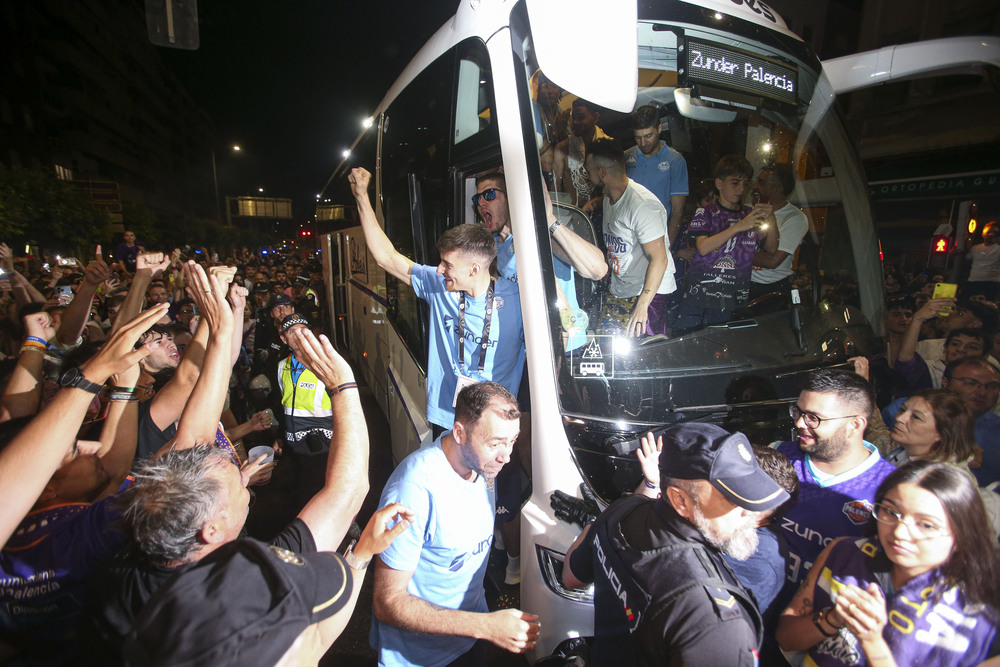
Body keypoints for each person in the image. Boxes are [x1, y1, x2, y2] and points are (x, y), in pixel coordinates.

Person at [0, 304, 168, 663]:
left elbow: (15, 421)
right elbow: (114, 467)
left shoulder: (20, 538)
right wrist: (95, 372)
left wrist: (118, 381)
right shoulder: (83, 531)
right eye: (74, 450)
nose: (92, 447)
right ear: (44, 488)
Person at [561, 422, 789, 666]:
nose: (749, 513)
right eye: (733, 500)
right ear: (680, 500)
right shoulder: (718, 623)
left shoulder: (618, 514)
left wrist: (594, 527)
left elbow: (571, 577)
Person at [371, 381, 540, 666]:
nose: (507, 456)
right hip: (420, 657)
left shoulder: (484, 465)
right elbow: (387, 603)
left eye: (512, 441)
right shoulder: (414, 490)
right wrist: (486, 626)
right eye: (496, 443)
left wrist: (480, 625)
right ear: (459, 433)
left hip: (469, 639)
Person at [777, 461, 1000, 666]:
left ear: (962, 534)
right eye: (891, 512)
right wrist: (833, 618)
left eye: (926, 525)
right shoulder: (844, 552)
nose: (900, 532)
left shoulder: (982, 610)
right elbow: (786, 638)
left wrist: (871, 641)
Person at [351, 166, 525, 430]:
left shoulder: (519, 300)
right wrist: (362, 196)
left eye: (447, 264)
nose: (440, 270)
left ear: (474, 269)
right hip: (448, 416)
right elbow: (385, 257)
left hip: (496, 425)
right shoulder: (440, 285)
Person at [774, 369, 896, 606]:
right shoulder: (778, 457)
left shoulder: (892, 490)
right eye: (798, 412)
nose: (800, 423)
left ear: (855, 424)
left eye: (813, 417)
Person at [675, 154, 778, 333]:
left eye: (745, 183)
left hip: (730, 297)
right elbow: (703, 247)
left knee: (720, 348)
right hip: (698, 293)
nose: (741, 189)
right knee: (686, 344)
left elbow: (771, 248)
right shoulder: (705, 212)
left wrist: (772, 218)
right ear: (719, 183)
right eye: (735, 182)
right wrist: (739, 226)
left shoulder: (750, 214)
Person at [587, 138, 676, 337]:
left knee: (640, 356)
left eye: (589, 171)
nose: (587, 176)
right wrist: (592, 204)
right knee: (608, 349)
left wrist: (643, 305)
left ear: (602, 172)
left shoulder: (642, 205)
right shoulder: (611, 198)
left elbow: (660, 259)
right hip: (622, 288)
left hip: (648, 293)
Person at [884, 357, 1000, 486]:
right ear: (945, 381)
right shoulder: (906, 445)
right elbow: (881, 437)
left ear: (942, 433)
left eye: (992, 386)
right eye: (970, 383)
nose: (982, 392)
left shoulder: (943, 479)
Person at [276, 312, 334, 508]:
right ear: (283, 339)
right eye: (292, 331)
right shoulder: (281, 366)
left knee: (323, 491)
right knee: (302, 489)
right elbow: (282, 404)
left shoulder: (326, 364)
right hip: (294, 443)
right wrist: (279, 436)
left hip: (322, 444)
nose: (298, 335)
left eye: (303, 330)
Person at [624, 105, 688, 245]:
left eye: (648, 136)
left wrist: (668, 246)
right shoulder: (626, 157)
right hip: (628, 237)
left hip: (657, 237)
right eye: (638, 138)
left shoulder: (675, 160)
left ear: (659, 128)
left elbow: (678, 210)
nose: (643, 143)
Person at [749, 164, 809, 300]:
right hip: (740, 281)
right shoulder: (746, 210)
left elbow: (773, 260)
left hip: (769, 289)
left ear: (778, 189)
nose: (754, 186)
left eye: (761, 183)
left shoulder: (794, 218)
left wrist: (733, 254)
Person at [552, 98, 612, 208]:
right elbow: (556, 190)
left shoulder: (609, 147)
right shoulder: (562, 148)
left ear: (595, 117)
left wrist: (593, 204)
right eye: (573, 117)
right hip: (572, 215)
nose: (575, 122)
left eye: (581, 117)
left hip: (601, 214)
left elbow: (615, 189)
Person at [966, 220, 1000, 302]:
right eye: (989, 232)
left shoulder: (998, 248)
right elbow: (966, 259)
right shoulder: (975, 248)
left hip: (992, 282)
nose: (991, 234)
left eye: (994, 233)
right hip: (974, 281)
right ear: (983, 234)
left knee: (988, 305)